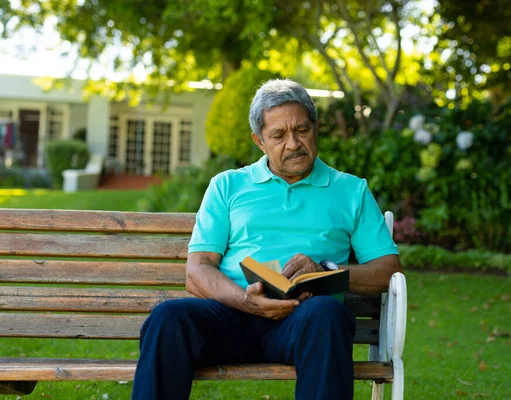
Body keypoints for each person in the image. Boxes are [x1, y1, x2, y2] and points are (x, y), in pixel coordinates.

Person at [131, 79, 402, 400]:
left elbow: (388, 271)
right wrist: (245, 300)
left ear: (316, 128)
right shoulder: (227, 186)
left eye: (302, 130)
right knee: (167, 317)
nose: (293, 143)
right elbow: (198, 271)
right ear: (259, 141)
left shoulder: (351, 190)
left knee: (328, 314)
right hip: (231, 316)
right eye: (278, 135)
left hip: (304, 320)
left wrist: (325, 271)